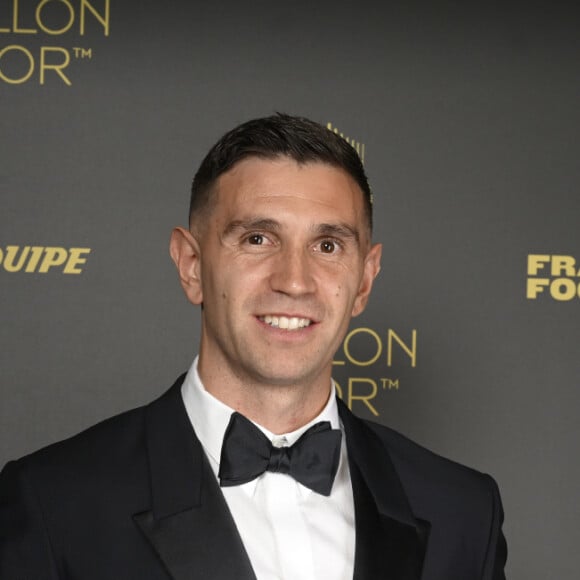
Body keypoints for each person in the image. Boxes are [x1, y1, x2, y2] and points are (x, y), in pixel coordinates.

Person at [0, 114, 507, 579]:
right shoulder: (54, 501)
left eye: (327, 246)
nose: (294, 281)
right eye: (258, 239)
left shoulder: (462, 512)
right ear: (192, 266)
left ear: (365, 280)